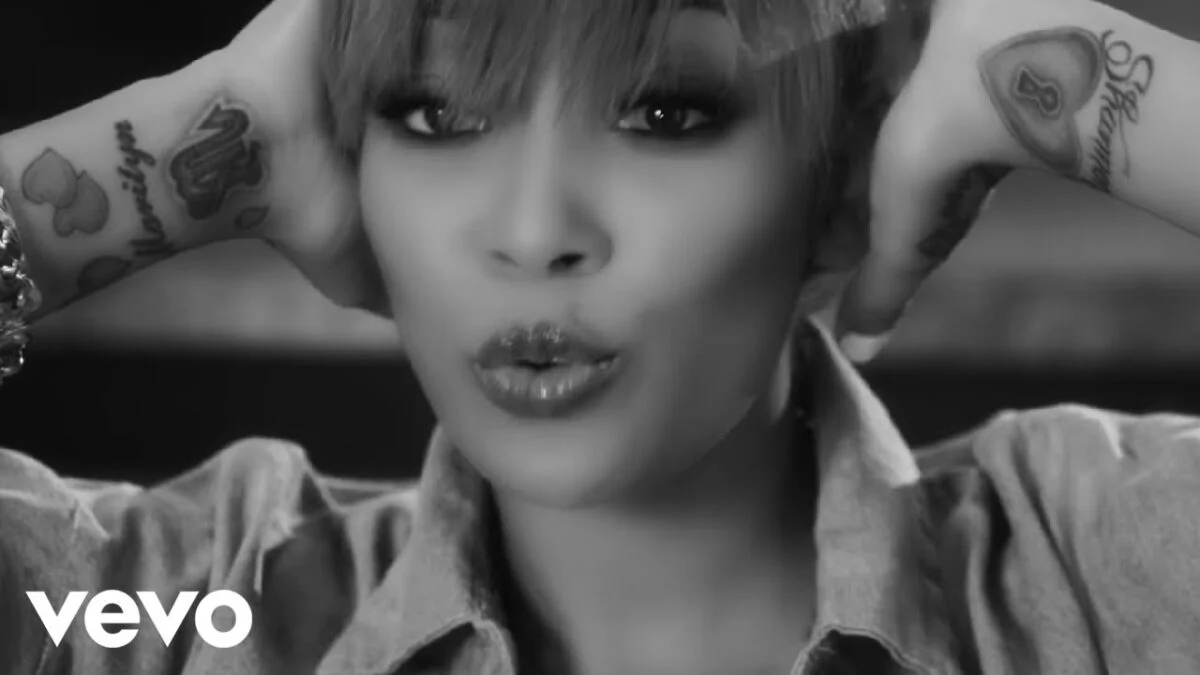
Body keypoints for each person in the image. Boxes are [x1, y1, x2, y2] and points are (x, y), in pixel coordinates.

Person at [1, 0, 1198, 673]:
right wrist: (180, 148)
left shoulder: (1097, 572)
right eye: (434, 114)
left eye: (665, 112)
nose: (533, 233)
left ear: (848, 175)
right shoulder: (198, 609)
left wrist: (1073, 79)